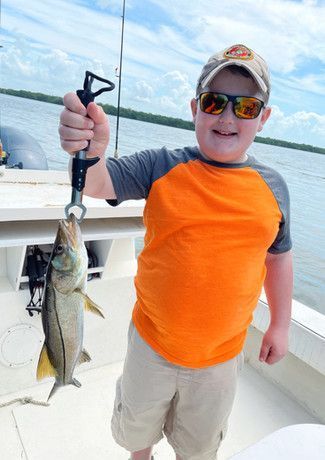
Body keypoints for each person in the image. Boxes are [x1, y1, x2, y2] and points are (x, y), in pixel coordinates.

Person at [59, 43, 293, 460]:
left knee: (198, 449)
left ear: (263, 119)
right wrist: (90, 151)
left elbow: (277, 256)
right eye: (214, 101)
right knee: (137, 434)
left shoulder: (274, 189)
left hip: (220, 359)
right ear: (194, 108)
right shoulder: (161, 165)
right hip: (152, 345)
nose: (225, 116)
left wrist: (279, 324)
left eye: (245, 107)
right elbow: (96, 184)